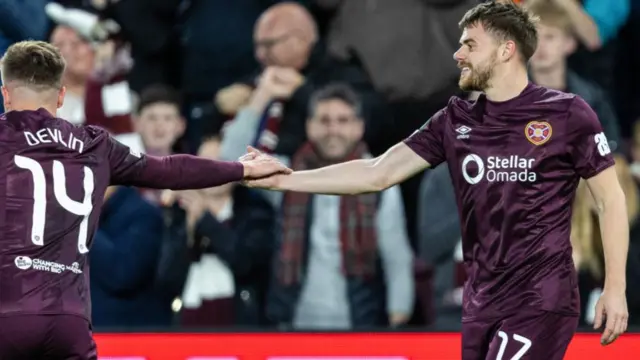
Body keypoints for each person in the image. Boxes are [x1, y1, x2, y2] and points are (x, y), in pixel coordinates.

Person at [243, 2, 629, 359]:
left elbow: (610, 201)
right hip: (480, 301)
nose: (458, 55)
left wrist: (615, 288)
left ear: (505, 50)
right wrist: (286, 179)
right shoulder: (454, 121)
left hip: (539, 298)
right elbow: (377, 172)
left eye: (470, 46)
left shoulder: (568, 114)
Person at [0, 40, 290, 359]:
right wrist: (240, 169)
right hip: (70, 322)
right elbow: (171, 169)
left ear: (6, 94)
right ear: (60, 96)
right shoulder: (94, 145)